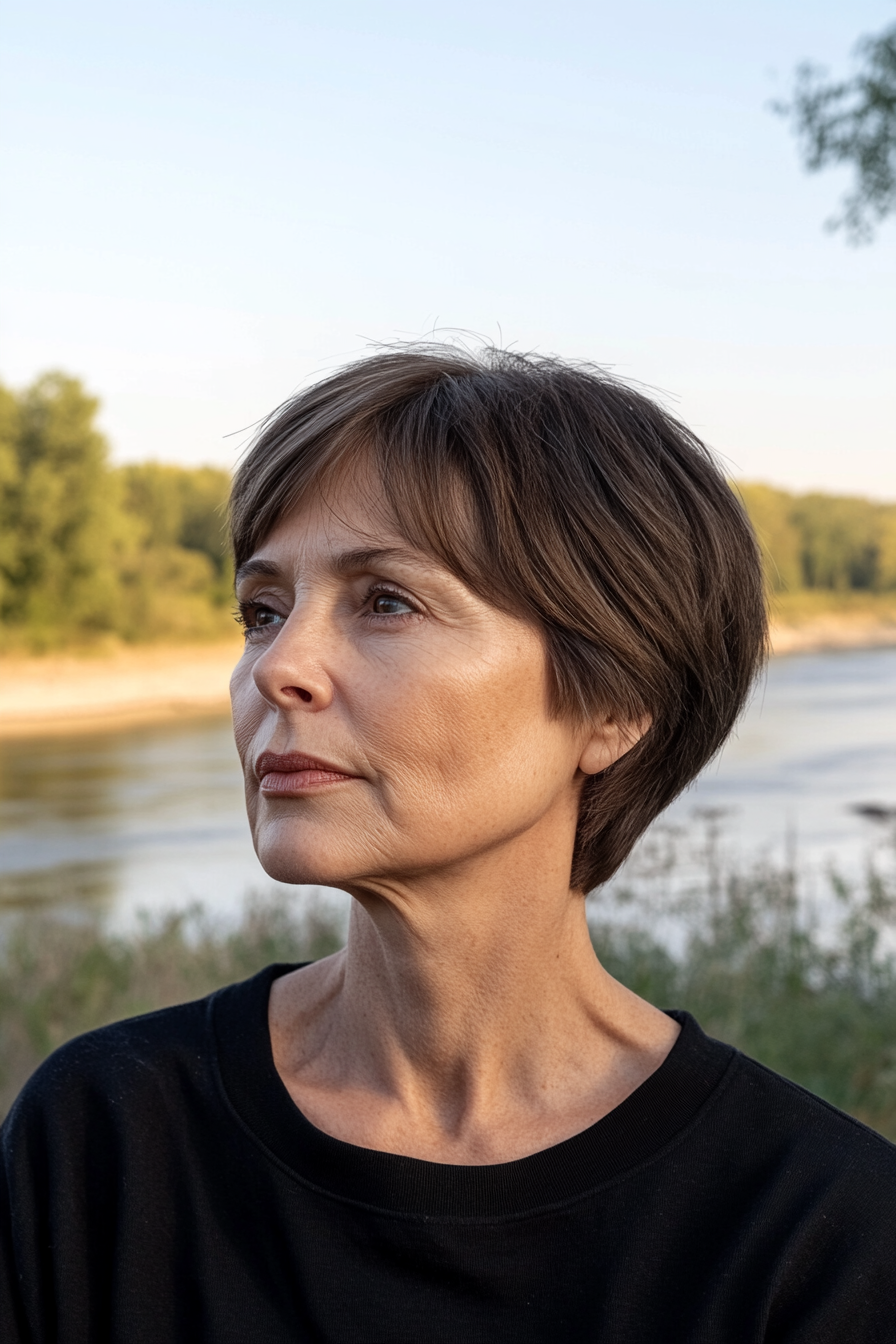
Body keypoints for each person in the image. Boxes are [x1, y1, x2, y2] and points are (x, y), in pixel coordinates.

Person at [1, 345, 894, 1343]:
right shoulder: (104, 1139)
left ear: (614, 703)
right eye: (261, 611)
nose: (279, 667)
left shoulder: (821, 1240)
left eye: (387, 601)